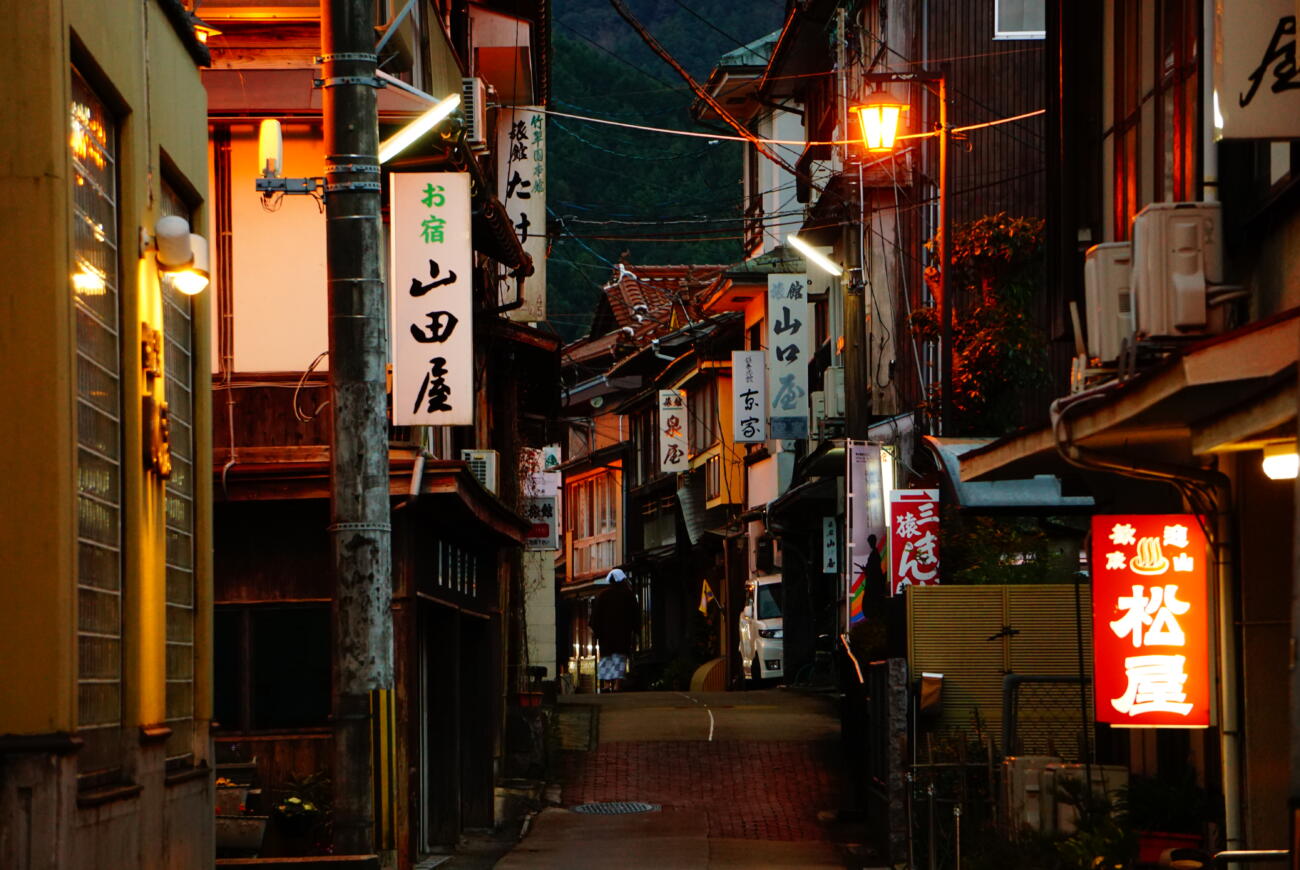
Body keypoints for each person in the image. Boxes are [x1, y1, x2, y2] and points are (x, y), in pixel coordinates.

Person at [590, 567, 640, 692]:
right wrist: (636, 630)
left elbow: (595, 616)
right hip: (622, 634)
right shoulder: (629, 595)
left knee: (606, 658)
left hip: (605, 635)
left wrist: (597, 632)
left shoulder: (603, 595)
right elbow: (635, 615)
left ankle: (607, 684)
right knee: (619, 658)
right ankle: (618, 684)